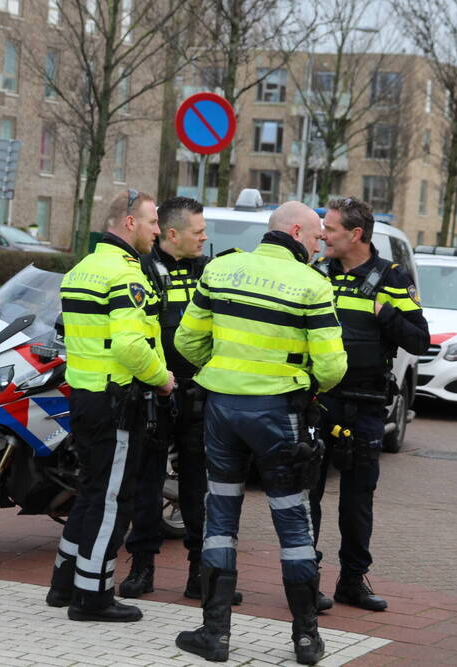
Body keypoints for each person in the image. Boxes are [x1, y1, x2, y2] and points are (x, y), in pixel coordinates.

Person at [173, 201, 347, 665]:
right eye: (315, 238)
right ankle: (306, 639)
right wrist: (304, 381)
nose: (319, 247)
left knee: (221, 517)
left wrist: (224, 368)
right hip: (277, 414)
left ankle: (215, 635)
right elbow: (332, 365)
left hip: (221, 410)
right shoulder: (312, 284)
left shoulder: (222, 269)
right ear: (294, 231)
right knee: (292, 522)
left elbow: (187, 341)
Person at [45, 189, 174, 622]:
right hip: (118, 402)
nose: (158, 231)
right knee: (112, 501)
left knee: (91, 492)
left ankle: (65, 583)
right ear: (129, 222)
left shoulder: (81, 270)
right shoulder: (126, 275)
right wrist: (163, 379)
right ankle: (93, 597)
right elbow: (129, 346)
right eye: (153, 221)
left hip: (84, 397)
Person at [309, 197, 429, 613]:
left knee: (358, 497)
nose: (322, 234)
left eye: (331, 228)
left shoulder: (392, 278)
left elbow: (419, 340)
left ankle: (352, 581)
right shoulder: (317, 273)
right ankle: (306, 578)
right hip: (318, 401)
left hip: (365, 403)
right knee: (308, 494)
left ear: (356, 235)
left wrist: (388, 315)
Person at [119, 196, 238, 605]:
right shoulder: (142, 273)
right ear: (172, 234)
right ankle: (142, 567)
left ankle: (197, 572)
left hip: (200, 395)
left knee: (198, 486)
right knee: (147, 483)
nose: (205, 238)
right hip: (154, 393)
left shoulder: (212, 272)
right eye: (198, 232)